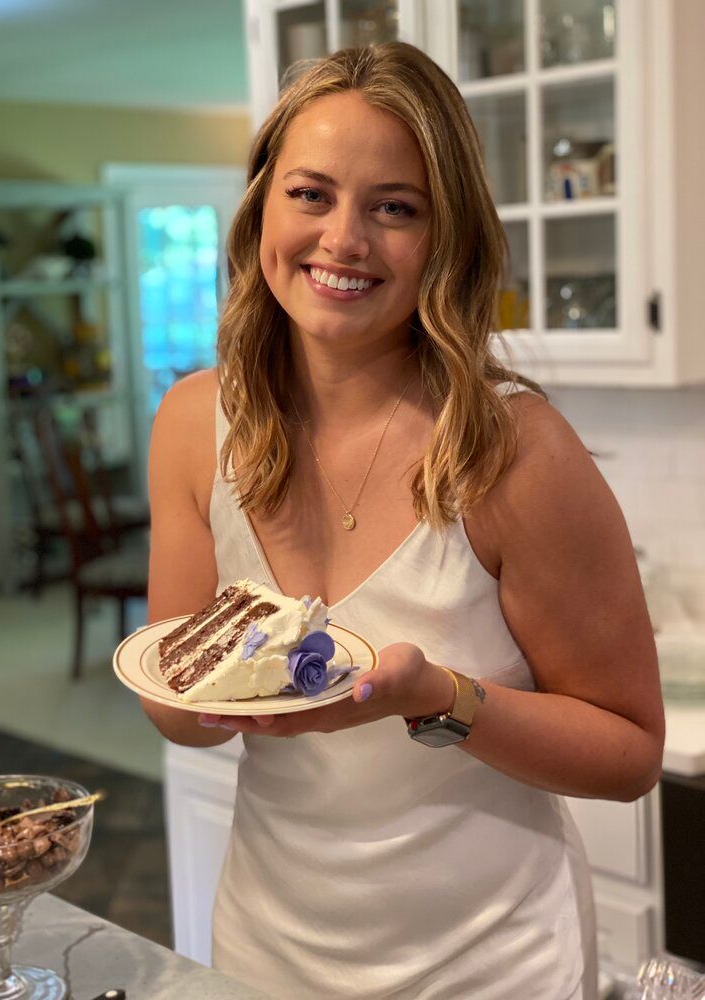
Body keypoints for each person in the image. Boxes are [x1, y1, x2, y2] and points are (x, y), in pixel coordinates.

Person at [143, 42, 664, 1000]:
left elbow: (630, 752)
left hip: (490, 965)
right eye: (310, 194)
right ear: (261, 208)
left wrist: (437, 699)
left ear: (446, 237)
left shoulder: (514, 450)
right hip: (266, 948)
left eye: (395, 208)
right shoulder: (191, 425)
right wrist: (214, 696)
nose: (343, 238)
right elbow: (180, 715)